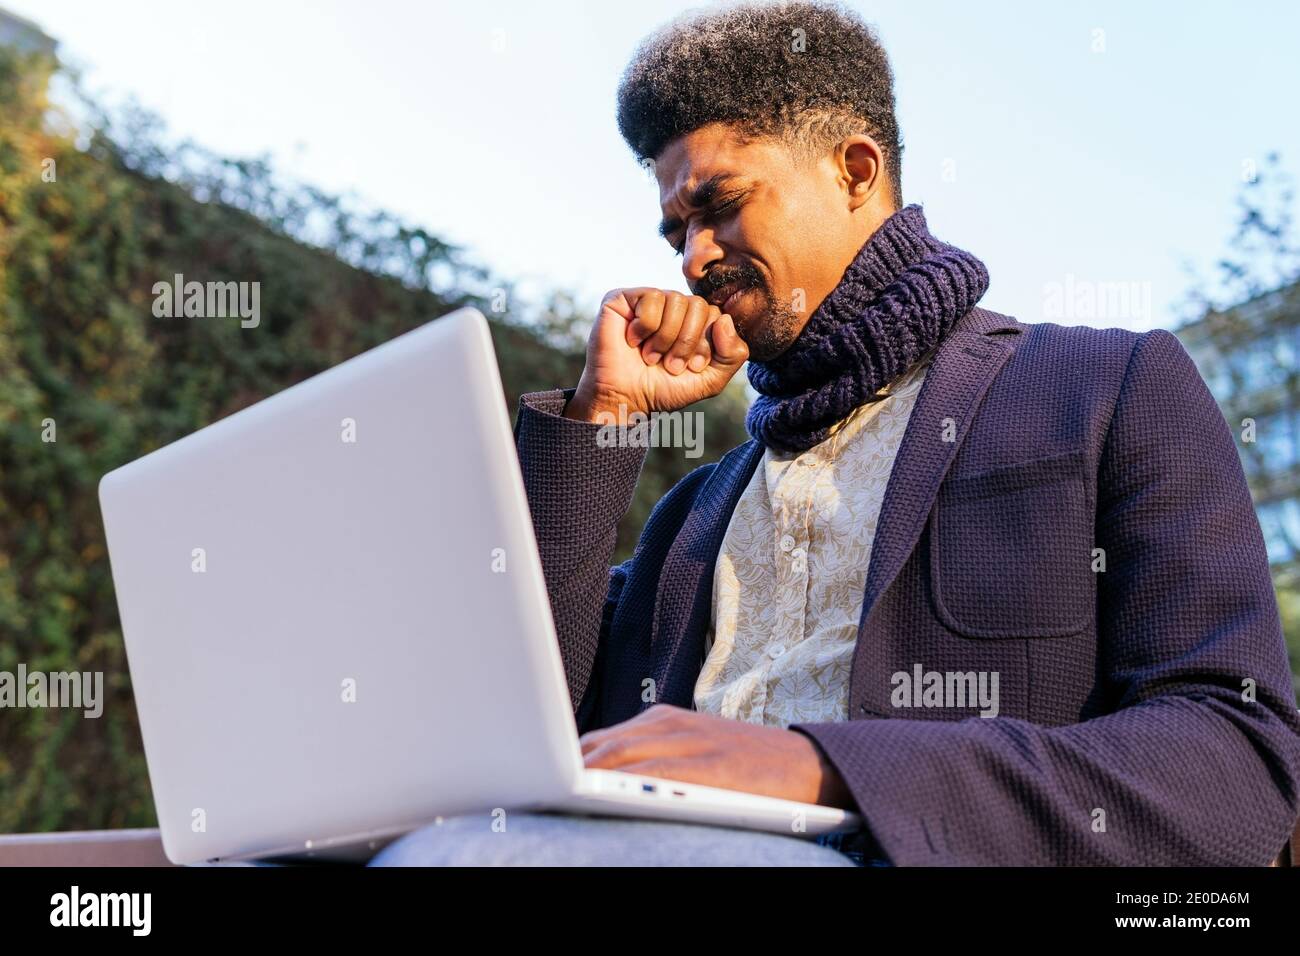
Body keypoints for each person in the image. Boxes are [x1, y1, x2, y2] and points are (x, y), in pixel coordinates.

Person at [371, 0, 1300, 867]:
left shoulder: (1102, 386)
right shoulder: (694, 512)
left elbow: (1236, 753)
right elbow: (497, 723)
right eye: (674, 233)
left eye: (720, 203)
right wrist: (599, 427)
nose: (693, 258)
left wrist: (823, 767)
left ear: (856, 170)